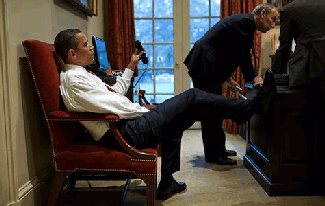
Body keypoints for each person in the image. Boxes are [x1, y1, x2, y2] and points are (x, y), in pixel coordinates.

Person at [55, 29, 275, 200]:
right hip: (125, 132)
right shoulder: (74, 81)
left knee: (179, 119)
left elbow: (116, 94)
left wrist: (131, 67)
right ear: (72, 53)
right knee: (193, 97)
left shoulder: (81, 75)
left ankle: (167, 182)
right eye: (86, 45)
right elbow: (116, 106)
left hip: (127, 125)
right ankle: (247, 108)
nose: (92, 48)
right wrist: (148, 111)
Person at [183, 3, 279, 165]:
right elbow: (243, 55)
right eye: (273, 19)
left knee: (215, 108)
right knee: (211, 110)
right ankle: (214, 154)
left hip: (207, 65)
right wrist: (253, 77)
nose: (273, 24)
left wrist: (227, 79)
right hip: (204, 65)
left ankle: (218, 149)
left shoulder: (244, 23)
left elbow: (224, 51)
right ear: (263, 13)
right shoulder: (245, 24)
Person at [274, 0, 325, 88]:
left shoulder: (290, 8)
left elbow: (285, 46)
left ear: (289, 0)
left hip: (312, 68)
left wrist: (275, 76)